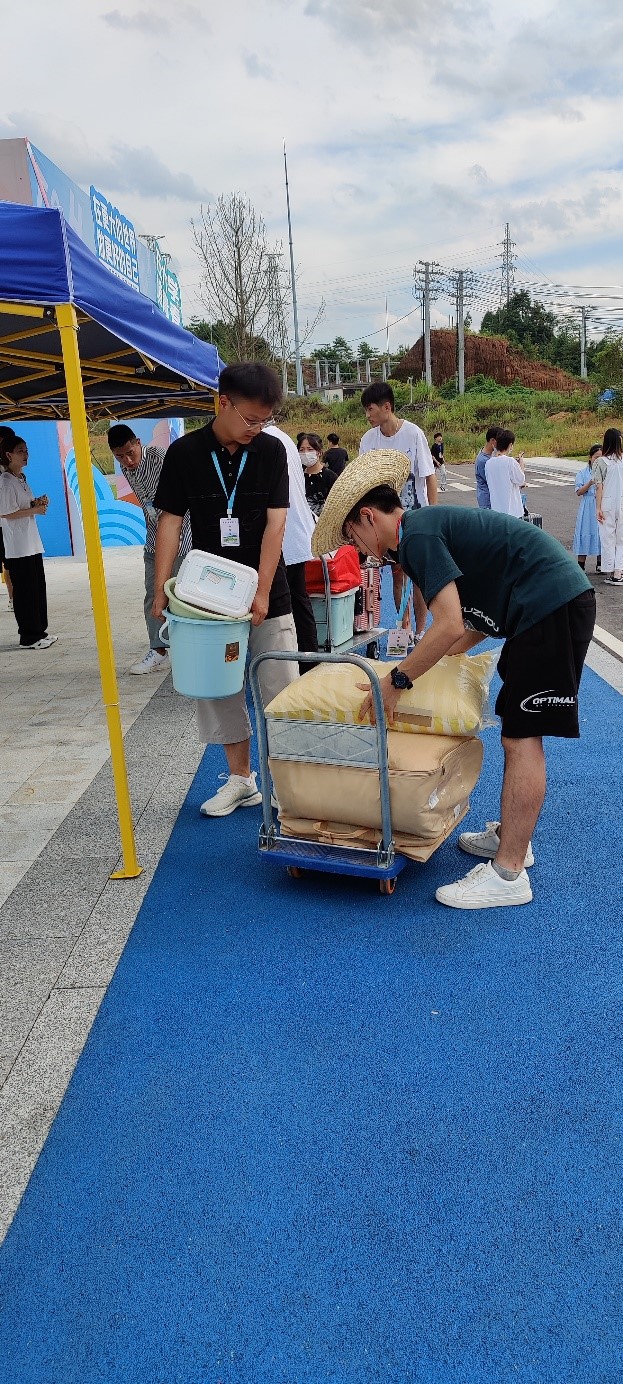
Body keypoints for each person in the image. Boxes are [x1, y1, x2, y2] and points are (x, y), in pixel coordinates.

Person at [311, 449, 595, 910]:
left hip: (549, 608)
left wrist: (395, 681)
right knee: (517, 734)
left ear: (367, 516)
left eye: (351, 537)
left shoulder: (416, 538)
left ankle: (508, 873)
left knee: (521, 740)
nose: (357, 550)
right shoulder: (425, 528)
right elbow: (465, 625)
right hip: (544, 608)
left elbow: (445, 625)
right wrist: (426, 668)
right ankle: (514, 838)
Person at [153, 361, 299, 817]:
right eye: (251, 419)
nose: (258, 428)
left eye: (265, 420)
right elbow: (170, 523)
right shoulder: (184, 453)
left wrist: (262, 590)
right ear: (223, 403)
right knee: (219, 689)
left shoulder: (272, 452)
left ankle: (287, 785)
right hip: (208, 600)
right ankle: (241, 779)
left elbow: (277, 526)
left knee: (282, 688)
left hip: (267, 594)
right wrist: (161, 589)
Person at [107, 424, 192, 675]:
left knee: (180, 595)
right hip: (155, 538)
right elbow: (148, 508)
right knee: (151, 595)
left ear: (138, 442)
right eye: (119, 456)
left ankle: (189, 649)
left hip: (182, 536)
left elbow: (175, 509)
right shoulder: (126, 467)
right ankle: (159, 650)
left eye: (130, 452)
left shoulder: (160, 460)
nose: (127, 460)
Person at [359, 381, 437, 644]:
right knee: (397, 573)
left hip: (414, 515)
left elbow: (429, 476)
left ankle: (421, 630)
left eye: (370, 409)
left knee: (417, 576)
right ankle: (403, 627)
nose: (368, 415)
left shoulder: (413, 434)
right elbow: (362, 480)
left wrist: (432, 514)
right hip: (384, 520)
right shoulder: (368, 440)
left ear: (386, 407)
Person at [264, 423, 319, 663]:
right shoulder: (282, 437)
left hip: (286, 534)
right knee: (298, 600)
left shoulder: (266, 440)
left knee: (289, 603)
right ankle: (309, 660)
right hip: (294, 532)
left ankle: (303, 661)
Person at [0, 434, 58, 650]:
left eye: (26, 450)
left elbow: (22, 505)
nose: (26, 455)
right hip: (17, 547)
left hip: (31, 543)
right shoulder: (5, 482)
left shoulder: (20, 478)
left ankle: (40, 631)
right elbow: (5, 513)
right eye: (20, 451)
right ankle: (28, 636)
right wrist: (34, 509)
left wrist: (36, 502)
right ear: (8, 455)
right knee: (25, 592)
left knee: (37, 588)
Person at [594, 428, 623, 585]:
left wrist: (598, 508)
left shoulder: (600, 462)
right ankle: (619, 571)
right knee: (621, 538)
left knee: (607, 537)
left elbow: (599, 486)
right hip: (622, 501)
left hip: (607, 502)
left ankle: (611, 570)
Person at [572, 445, 602, 574]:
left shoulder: (605, 471)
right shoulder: (582, 473)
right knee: (585, 531)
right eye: (596, 457)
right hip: (587, 506)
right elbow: (579, 492)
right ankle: (581, 564)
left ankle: (601, 563)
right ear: (590, 458)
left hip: (600, 504)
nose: (598, 460)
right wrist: (590, 482)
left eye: (601, 458)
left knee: (601, 532)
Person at [485, 429, 526, 518]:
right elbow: (521, 480)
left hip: (496, 511)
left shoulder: (488, 463)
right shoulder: (510, 462)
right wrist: (521, 464)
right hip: (512, 512)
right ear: (510, 445)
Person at [299, 433, 338, 517]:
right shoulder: (298, 476)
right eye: (301, 450)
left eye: (310, 449)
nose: (305, 453)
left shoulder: (330, 477)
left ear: (319, 452)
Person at [0, 425, 16, 611]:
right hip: (3, 524)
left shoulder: (11, 469)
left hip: (12, 525)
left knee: (11, 562)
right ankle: (13, 599)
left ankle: (15, 598)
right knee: (9, 562)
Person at [474, 426, 501, 509]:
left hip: (491, 498)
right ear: (492, 440)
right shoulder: (483, 460)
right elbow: (494, 481)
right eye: (500, 441)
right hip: (487, 501)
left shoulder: (490, 454)